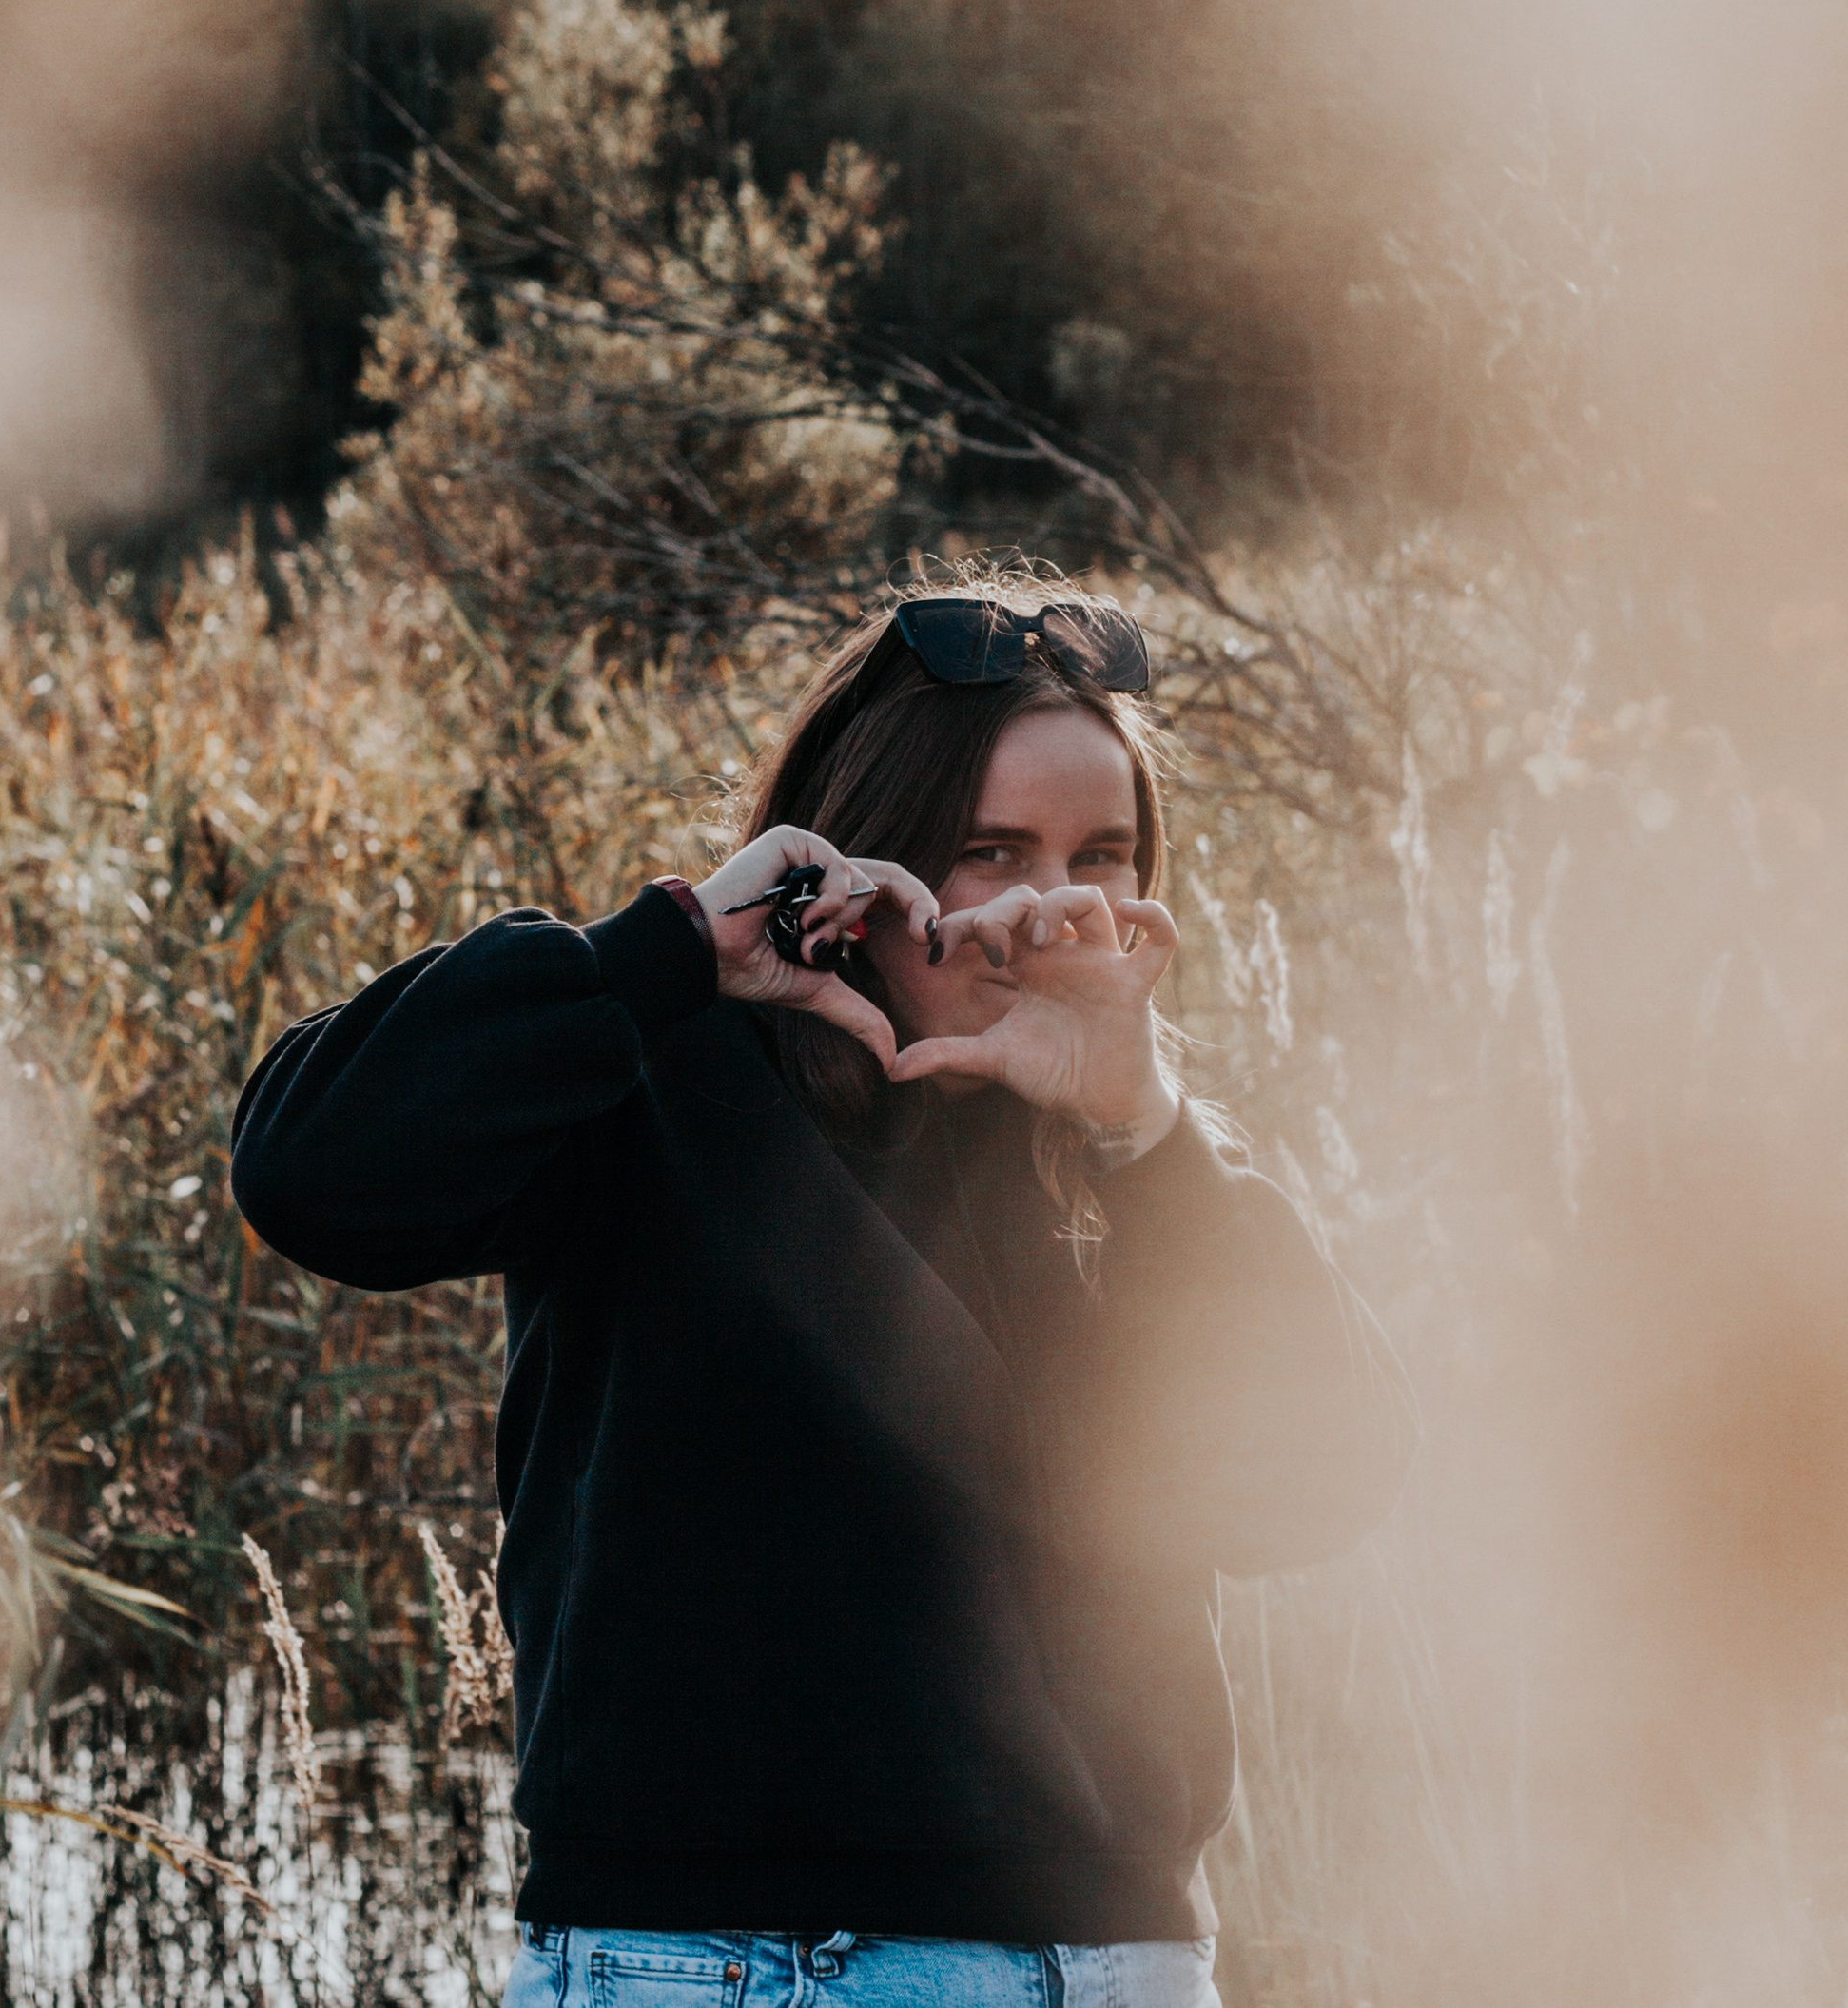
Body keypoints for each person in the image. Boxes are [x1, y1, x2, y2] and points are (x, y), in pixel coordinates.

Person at [230, 582, 1417, 2008]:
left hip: (1102, 1966)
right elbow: (307, 1169)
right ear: (867, 854)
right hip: (700, 1965)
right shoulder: (653, 1080)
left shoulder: (1138, 1162)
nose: (1056, 901)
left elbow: (1322, 1485)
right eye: (990, 850)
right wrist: (664, 955)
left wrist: (1144, 1124)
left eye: (1103, 853)